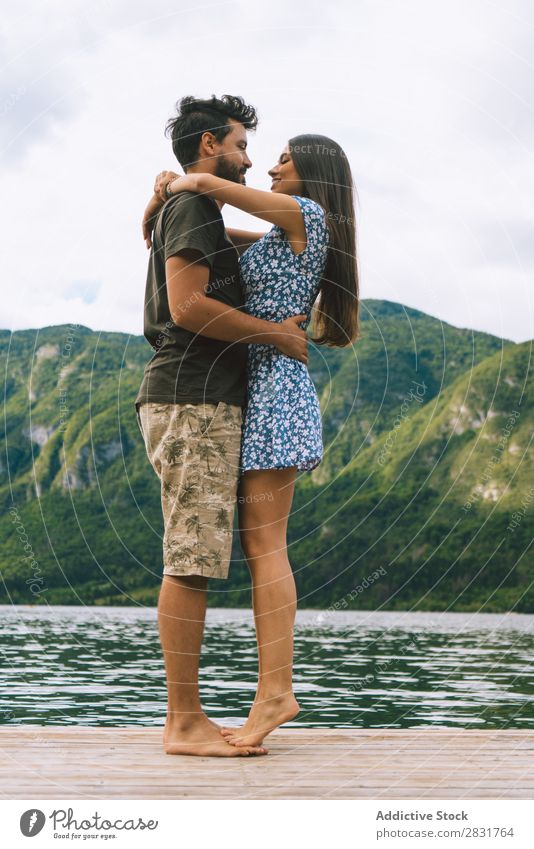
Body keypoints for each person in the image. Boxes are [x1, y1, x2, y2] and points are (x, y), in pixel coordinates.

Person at [144, 127, 360, 750]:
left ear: (314, 170)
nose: (270, 164)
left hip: (272, 388)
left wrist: (182, 182)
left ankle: (275, 693)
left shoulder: (308, 214)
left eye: (286, 158)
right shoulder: (287, 233)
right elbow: (223, 236)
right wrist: (166, 200)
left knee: (266, 544)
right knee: (259, 542)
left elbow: (212, 186)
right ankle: (269, 691)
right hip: (260, 386)